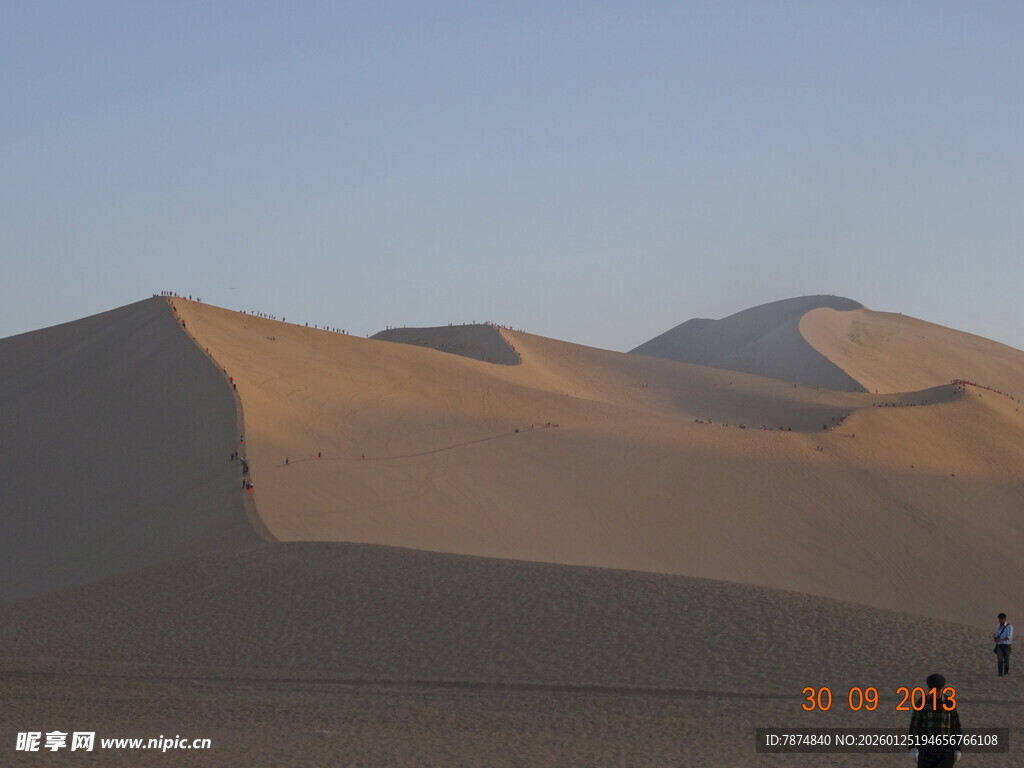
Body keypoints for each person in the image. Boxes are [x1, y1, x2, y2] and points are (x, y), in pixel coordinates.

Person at [908, 673, 961, 766]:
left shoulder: (949, 703)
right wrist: (913, 747)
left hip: (945, 749)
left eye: (937, 691)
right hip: (925, 748)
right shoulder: (921, 702)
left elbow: (956, 727)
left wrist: (957, 748)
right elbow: (914, 727)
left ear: (941, 690)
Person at [994, 613, 1013, 678]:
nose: (999, 621)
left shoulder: (1009, 627)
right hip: (999, 645)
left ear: (1004, 619)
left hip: (1007, 645)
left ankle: (1006, 673)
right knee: (1000, 659)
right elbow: (997, 634)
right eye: (999, 620)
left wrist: (1000, 639)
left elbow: (1009, 637)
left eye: (1000, 620)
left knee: (1006, 660)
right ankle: (1000, 674)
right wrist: (995, 637)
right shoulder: (998, 626)